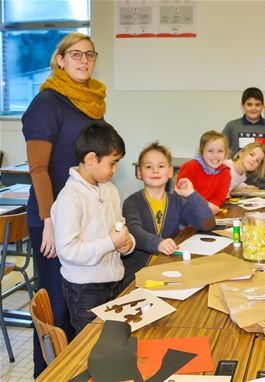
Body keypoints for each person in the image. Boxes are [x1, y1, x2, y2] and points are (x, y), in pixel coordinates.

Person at [21, 32, 106, 377]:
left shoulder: (93, 101)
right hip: (52, 221)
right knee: (56, 310)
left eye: (89, 54)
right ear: (59, 60)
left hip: (84, 217)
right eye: (75, 54)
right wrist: (49, 220)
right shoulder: (47, 103)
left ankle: (75, 372)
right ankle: (48, 374)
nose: (84, 60)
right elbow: (38, 169)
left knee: (80, 307)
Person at [51, 121, 135, 334]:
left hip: (114, 281)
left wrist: (127, 243)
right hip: (84, 289)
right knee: (90, 347)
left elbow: (119, 227)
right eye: (112, 163)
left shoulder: (111, 190)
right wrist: (109, 243)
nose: (115, 170)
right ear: (90, 159)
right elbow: (67, 250)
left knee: (113, 342)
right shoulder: (70, 198)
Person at [121, 142, 215, 289]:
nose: (155, 170)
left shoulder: (176, 201)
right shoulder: (132, 202)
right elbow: (133, 230)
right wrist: (158, 243)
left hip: (167, 270)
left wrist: (191, 194)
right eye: (148, 166)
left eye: (161, 166)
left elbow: (207, 223)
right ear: (139, 172)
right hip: (136, 276)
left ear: (170, 172)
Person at [222, 87, 265, 189]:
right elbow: (221, 152)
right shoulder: (232, 127)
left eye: (257, 104)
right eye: (249, 104)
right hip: (237, 186)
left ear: (263, 106)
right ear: (242, 106)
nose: (253, 108)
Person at [177, 131, 231, 214]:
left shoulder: (225, 173)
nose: (215, 155)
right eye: (210, 151)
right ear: (202, 152)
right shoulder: (189, 167)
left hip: (207, 214)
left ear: (226, 153)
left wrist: (212, 206)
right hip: (185, 214)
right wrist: (205, 206)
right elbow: (181, 197)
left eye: (220, 151)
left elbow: (219, 198)